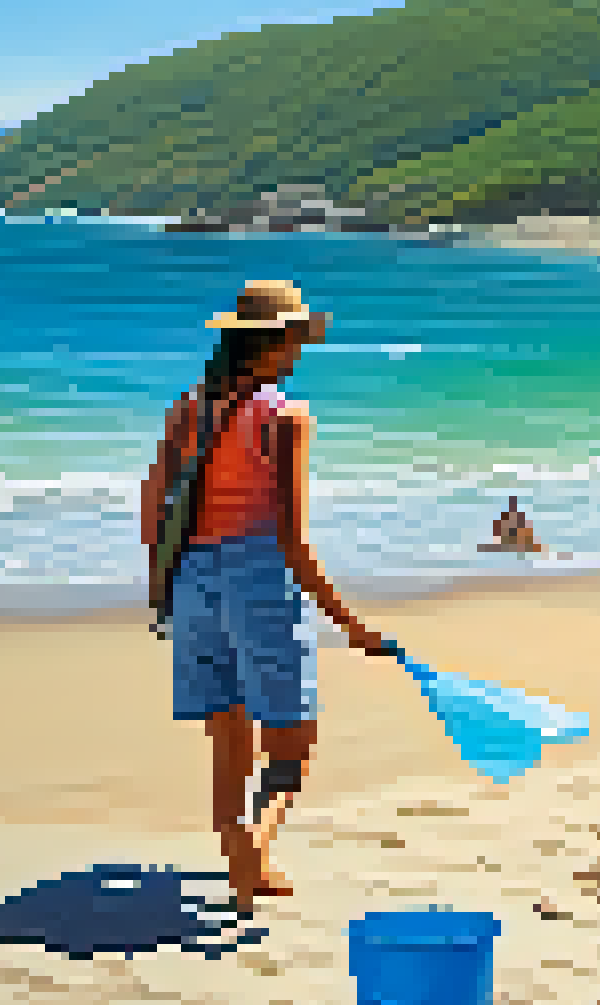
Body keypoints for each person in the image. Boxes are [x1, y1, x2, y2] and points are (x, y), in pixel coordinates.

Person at [141, 280, 397, 915]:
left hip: (192, 580)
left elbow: (154, 508)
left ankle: (241, 863)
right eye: (294, 340)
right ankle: (253, 848)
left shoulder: (189, 410)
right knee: (291, 741)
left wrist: (160, 589)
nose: (298, 352)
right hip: (257, 579)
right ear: (277, 343)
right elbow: (291, 538)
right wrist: (352, 624)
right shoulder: (284, 418)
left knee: (227, 733)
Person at [480, 495, 546, 554]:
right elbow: (497, 532)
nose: (513, 507)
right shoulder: (505, 517)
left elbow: (527, 533)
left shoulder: (520, 517)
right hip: (507, 542)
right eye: (512, 505)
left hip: (518, 542)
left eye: (513, 505)